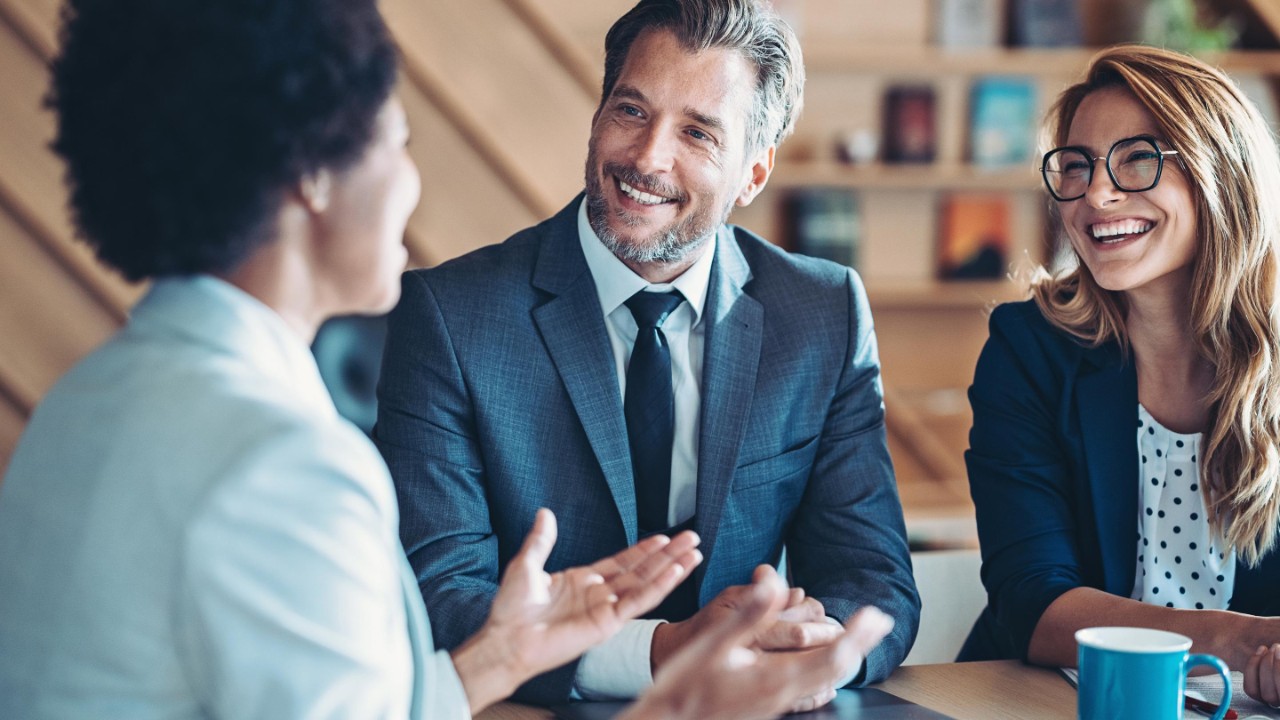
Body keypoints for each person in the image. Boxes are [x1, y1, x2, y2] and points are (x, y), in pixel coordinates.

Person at [0, 1, 893, 718]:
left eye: (698, 131)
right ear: (312, 173)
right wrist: (680, 704)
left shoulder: (83, 403)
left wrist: (502, 656)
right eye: (398, 141)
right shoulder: (284, 468)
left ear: (752, 171)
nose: (411, 183)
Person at [375, 0, 919, 707]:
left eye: (697, 132)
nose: (647, 158)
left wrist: (810, 649)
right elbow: (438, 596)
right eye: (631, 111)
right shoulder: (450, 317)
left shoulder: (822, 313)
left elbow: (873, 579)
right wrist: (665, 653)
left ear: (753, 175)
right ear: (598, 114)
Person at [960, 44, 1280, 704]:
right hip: (1049, 701)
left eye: (1137, 158)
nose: (1097, 194)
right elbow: (1032, 600)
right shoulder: (1029, 349)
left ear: (1221, 171)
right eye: (1076, 166)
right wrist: (1234, 640)